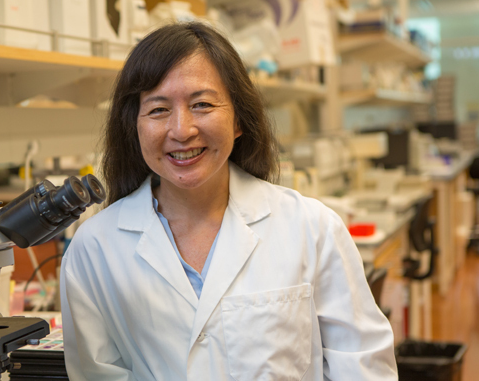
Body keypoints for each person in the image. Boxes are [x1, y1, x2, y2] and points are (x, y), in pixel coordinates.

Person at [60, 22, 397, 380]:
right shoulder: (94, 249)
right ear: (135, 127)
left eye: (202, 104)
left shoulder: (311, 228)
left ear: (238, 120)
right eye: (158, 110)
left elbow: (363, 368)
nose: (181, 130)